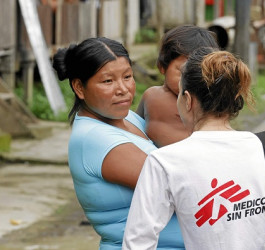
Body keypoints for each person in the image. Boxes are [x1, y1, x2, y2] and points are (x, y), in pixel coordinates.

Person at [123, 48, 265, 249]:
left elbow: (137, 242)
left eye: (180, 94)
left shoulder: (165, 162)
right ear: (234, 97)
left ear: (188, 100)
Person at [52, 37, 184, 250]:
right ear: (79, 87)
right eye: (108, 81)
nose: (123, 89)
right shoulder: (94, 139)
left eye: (127, 76)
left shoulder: (126, 117)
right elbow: (178, 187)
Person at [136, 25, 220, 147]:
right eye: (183, 72)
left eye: (201, 73)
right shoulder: (152, 96)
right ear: (162, 67)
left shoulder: (211, 102)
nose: (190, 80)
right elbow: (133, 125)